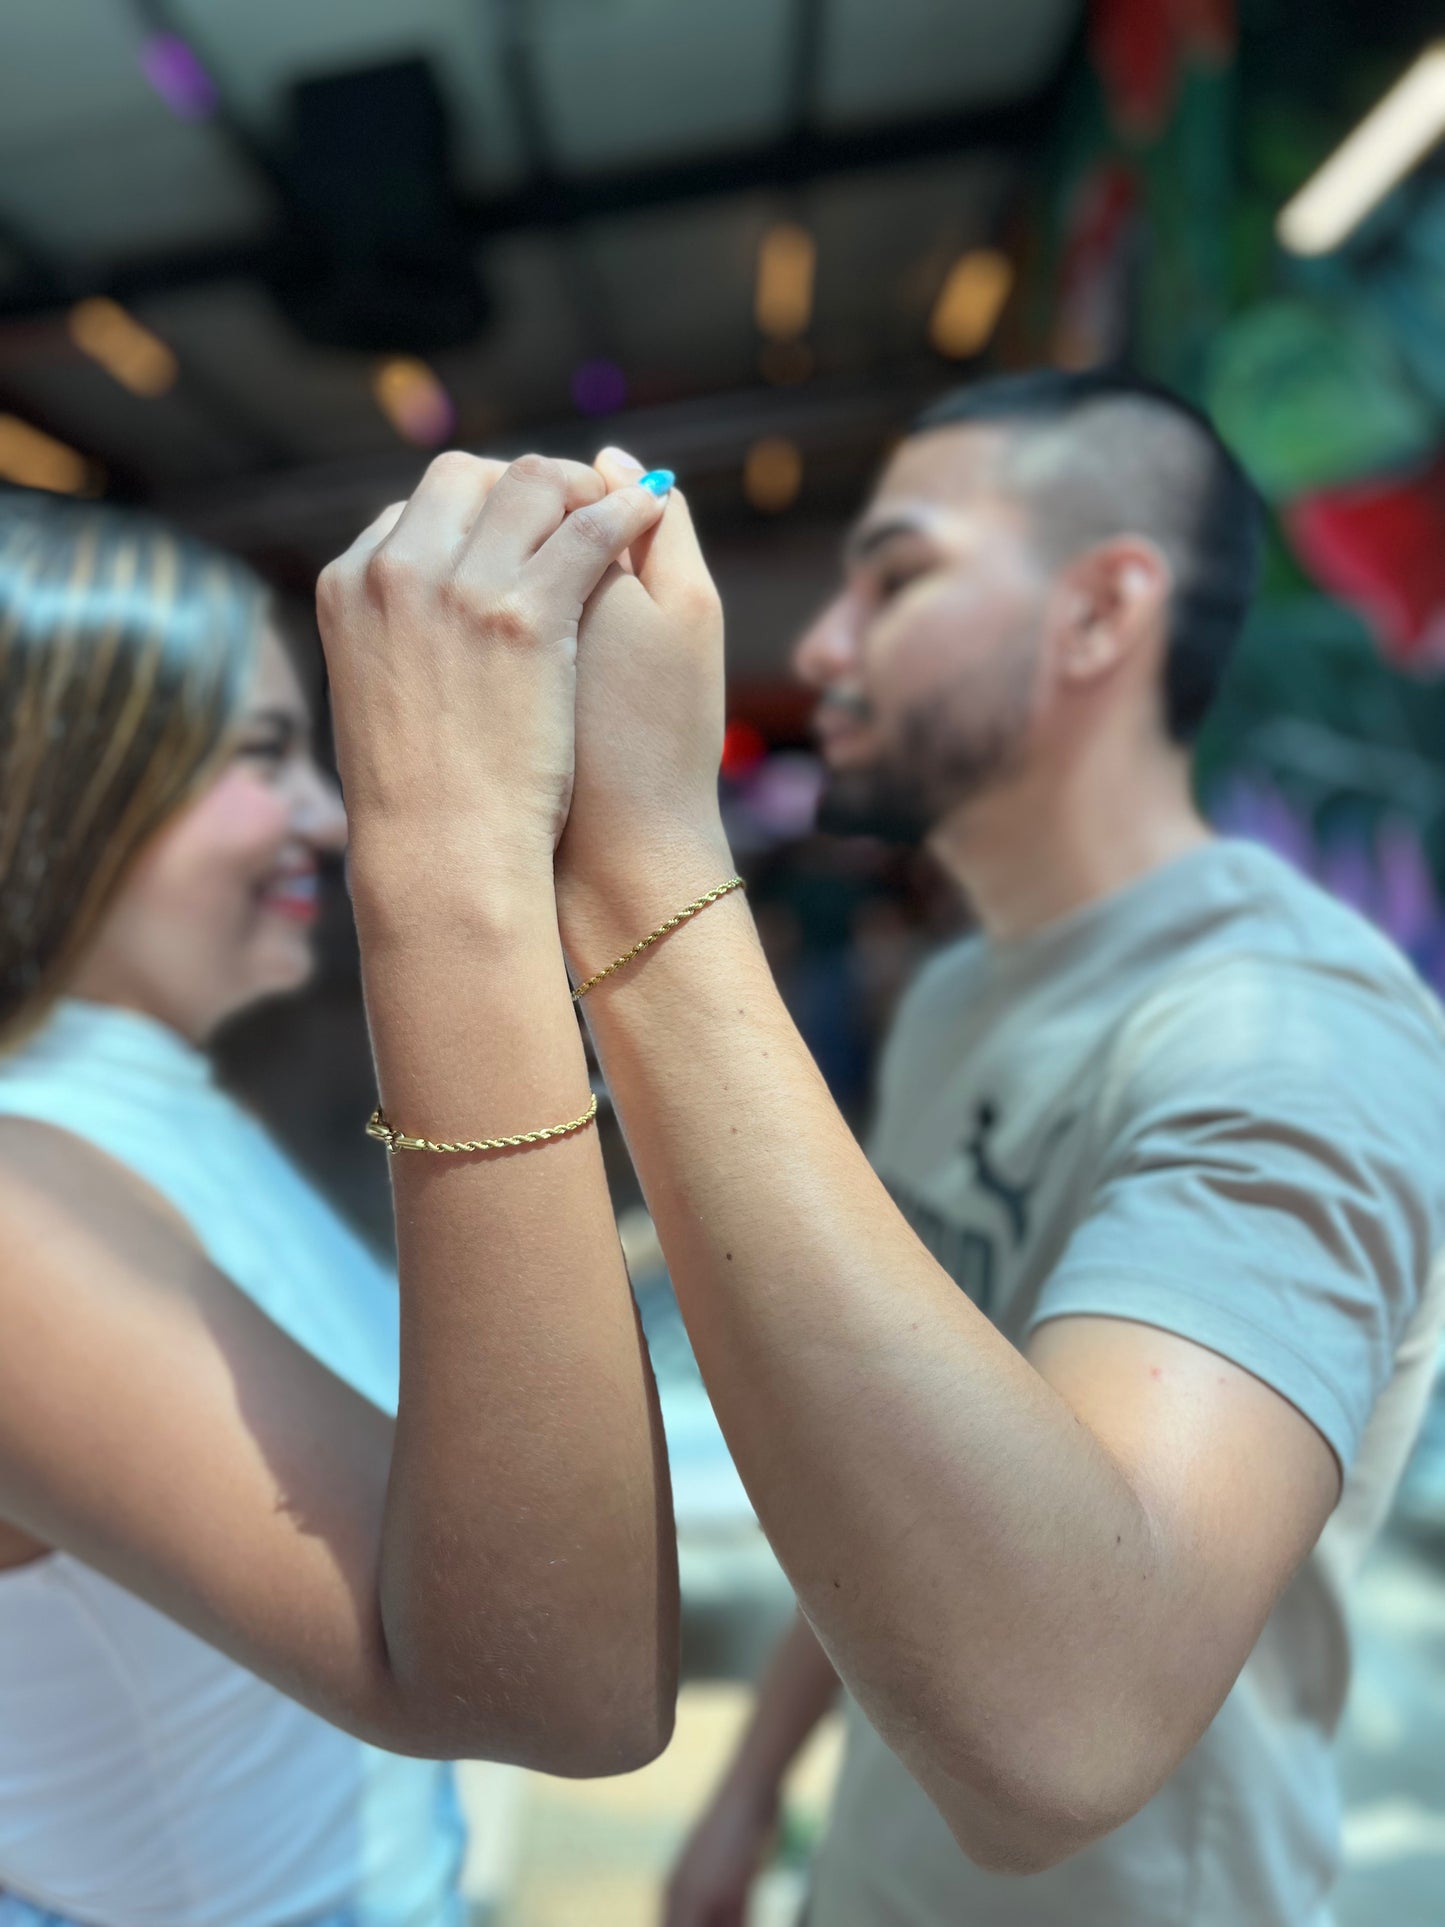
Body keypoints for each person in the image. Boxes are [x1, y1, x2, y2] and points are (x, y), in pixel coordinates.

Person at [318, 372, 1445, 1927]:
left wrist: (639, 851)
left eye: (897, 576)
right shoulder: (966, 992)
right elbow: (874, 1436)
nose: (827, 648)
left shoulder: (1291, 1032)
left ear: (1101, 611)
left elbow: (1068, 1722)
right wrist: (748, 1789)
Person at [0, 485, 678, 1926]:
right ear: (47, 789)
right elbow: (573, 1688)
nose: (320, 809)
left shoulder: (141, 1105)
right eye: (261, 754)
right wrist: (453, 858)